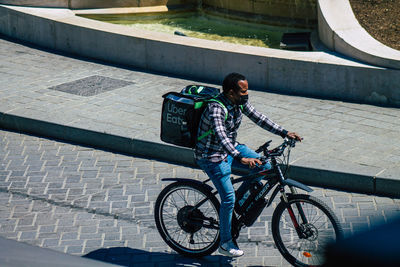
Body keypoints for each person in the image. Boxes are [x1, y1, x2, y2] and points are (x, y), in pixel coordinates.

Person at [195, 73, 301, 257]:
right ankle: (225, 242)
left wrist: (284, 132)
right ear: (231, 92)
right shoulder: (216, 109)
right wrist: (239, 157)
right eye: (243, 91)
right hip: (211, 155)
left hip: (230, 148)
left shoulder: (239, 103)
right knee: (228, 198)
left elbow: (259, 118)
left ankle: (239, 203)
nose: (247, 93)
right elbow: (221, 137)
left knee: (266, 167)